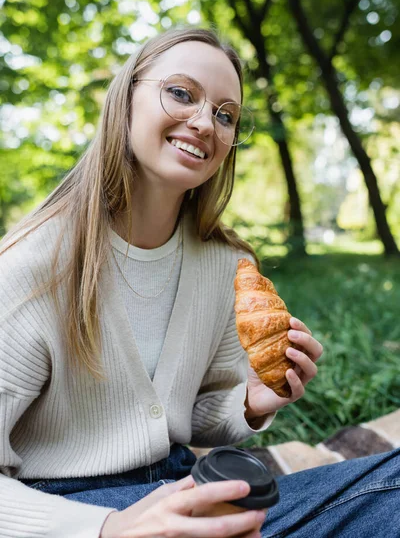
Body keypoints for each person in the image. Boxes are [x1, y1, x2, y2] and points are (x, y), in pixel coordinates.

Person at [0, 27, 397, 538]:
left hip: (187, 486)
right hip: (67, 511)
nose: (205, 122)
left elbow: (197, 412)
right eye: (182, 93)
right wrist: (109, 527)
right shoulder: (31, 268)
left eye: (226, 114)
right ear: (125, 99)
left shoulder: (223, 262)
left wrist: (251, 401)